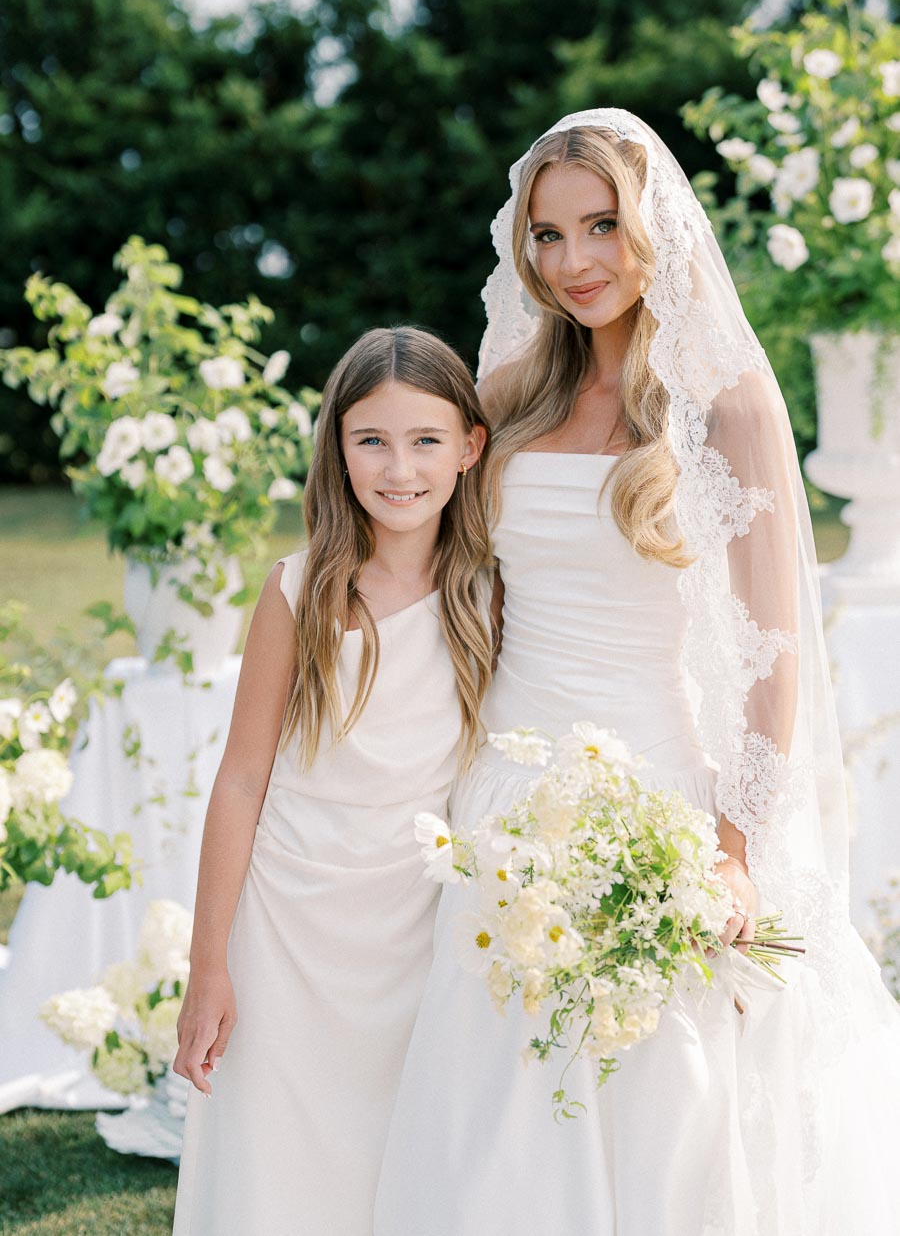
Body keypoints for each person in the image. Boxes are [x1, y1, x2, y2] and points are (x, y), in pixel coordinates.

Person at [374, 111, 900, 1235]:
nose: (574, 263)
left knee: (664, 1099)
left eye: (602, 225)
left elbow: (768, 654)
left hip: (656, 789)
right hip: (505, 789)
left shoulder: (727, 406)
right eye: (550, 236)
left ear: (653, 226)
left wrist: (737, 848)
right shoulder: (509, 395)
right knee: (496, 1102)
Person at [171, 325, 492, 1235]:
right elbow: (240, 781)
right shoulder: (299, 587)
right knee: (281, 1160)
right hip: (291, 924)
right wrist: (209, 966)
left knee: (399, 1151)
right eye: (372, 440)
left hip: (419, 924)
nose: (400, 468)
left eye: (427, 440)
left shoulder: (489, 593)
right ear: (338, 449)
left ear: (470, 447)